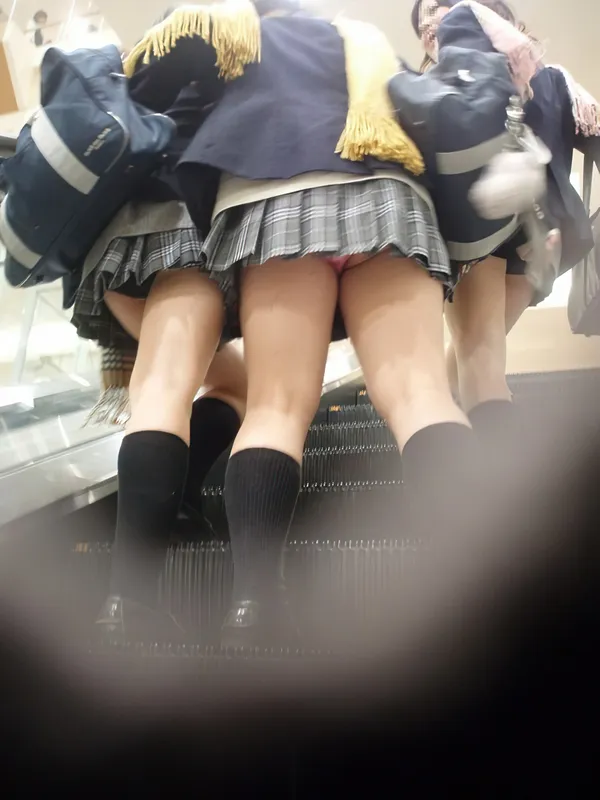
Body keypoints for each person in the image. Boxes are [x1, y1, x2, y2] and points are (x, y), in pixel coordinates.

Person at [123, 0, 478, 650]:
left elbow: (156, 100)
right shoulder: (360, 37)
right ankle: (475, 595)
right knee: (420, 393)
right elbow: (424, 108)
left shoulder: (233, 34)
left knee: (276, 406)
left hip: (272, 195)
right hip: (386, 188)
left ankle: (254, 606)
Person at [71, 56, 245, 642]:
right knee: (166, 390)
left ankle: (180, 496)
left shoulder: (145, 64)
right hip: (176, 230)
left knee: (232, 381)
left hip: (115, 250)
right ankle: (130, 599)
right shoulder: (222, 58)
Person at [411, 0, 600, 439]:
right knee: (480, 353)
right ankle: (448, 428)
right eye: (422, 25)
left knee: (479, 362)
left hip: (480, 229)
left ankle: (469, 463)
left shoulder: (450, 82)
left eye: (437, 12)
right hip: (540, 241)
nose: (429, 27)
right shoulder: (555, 81)